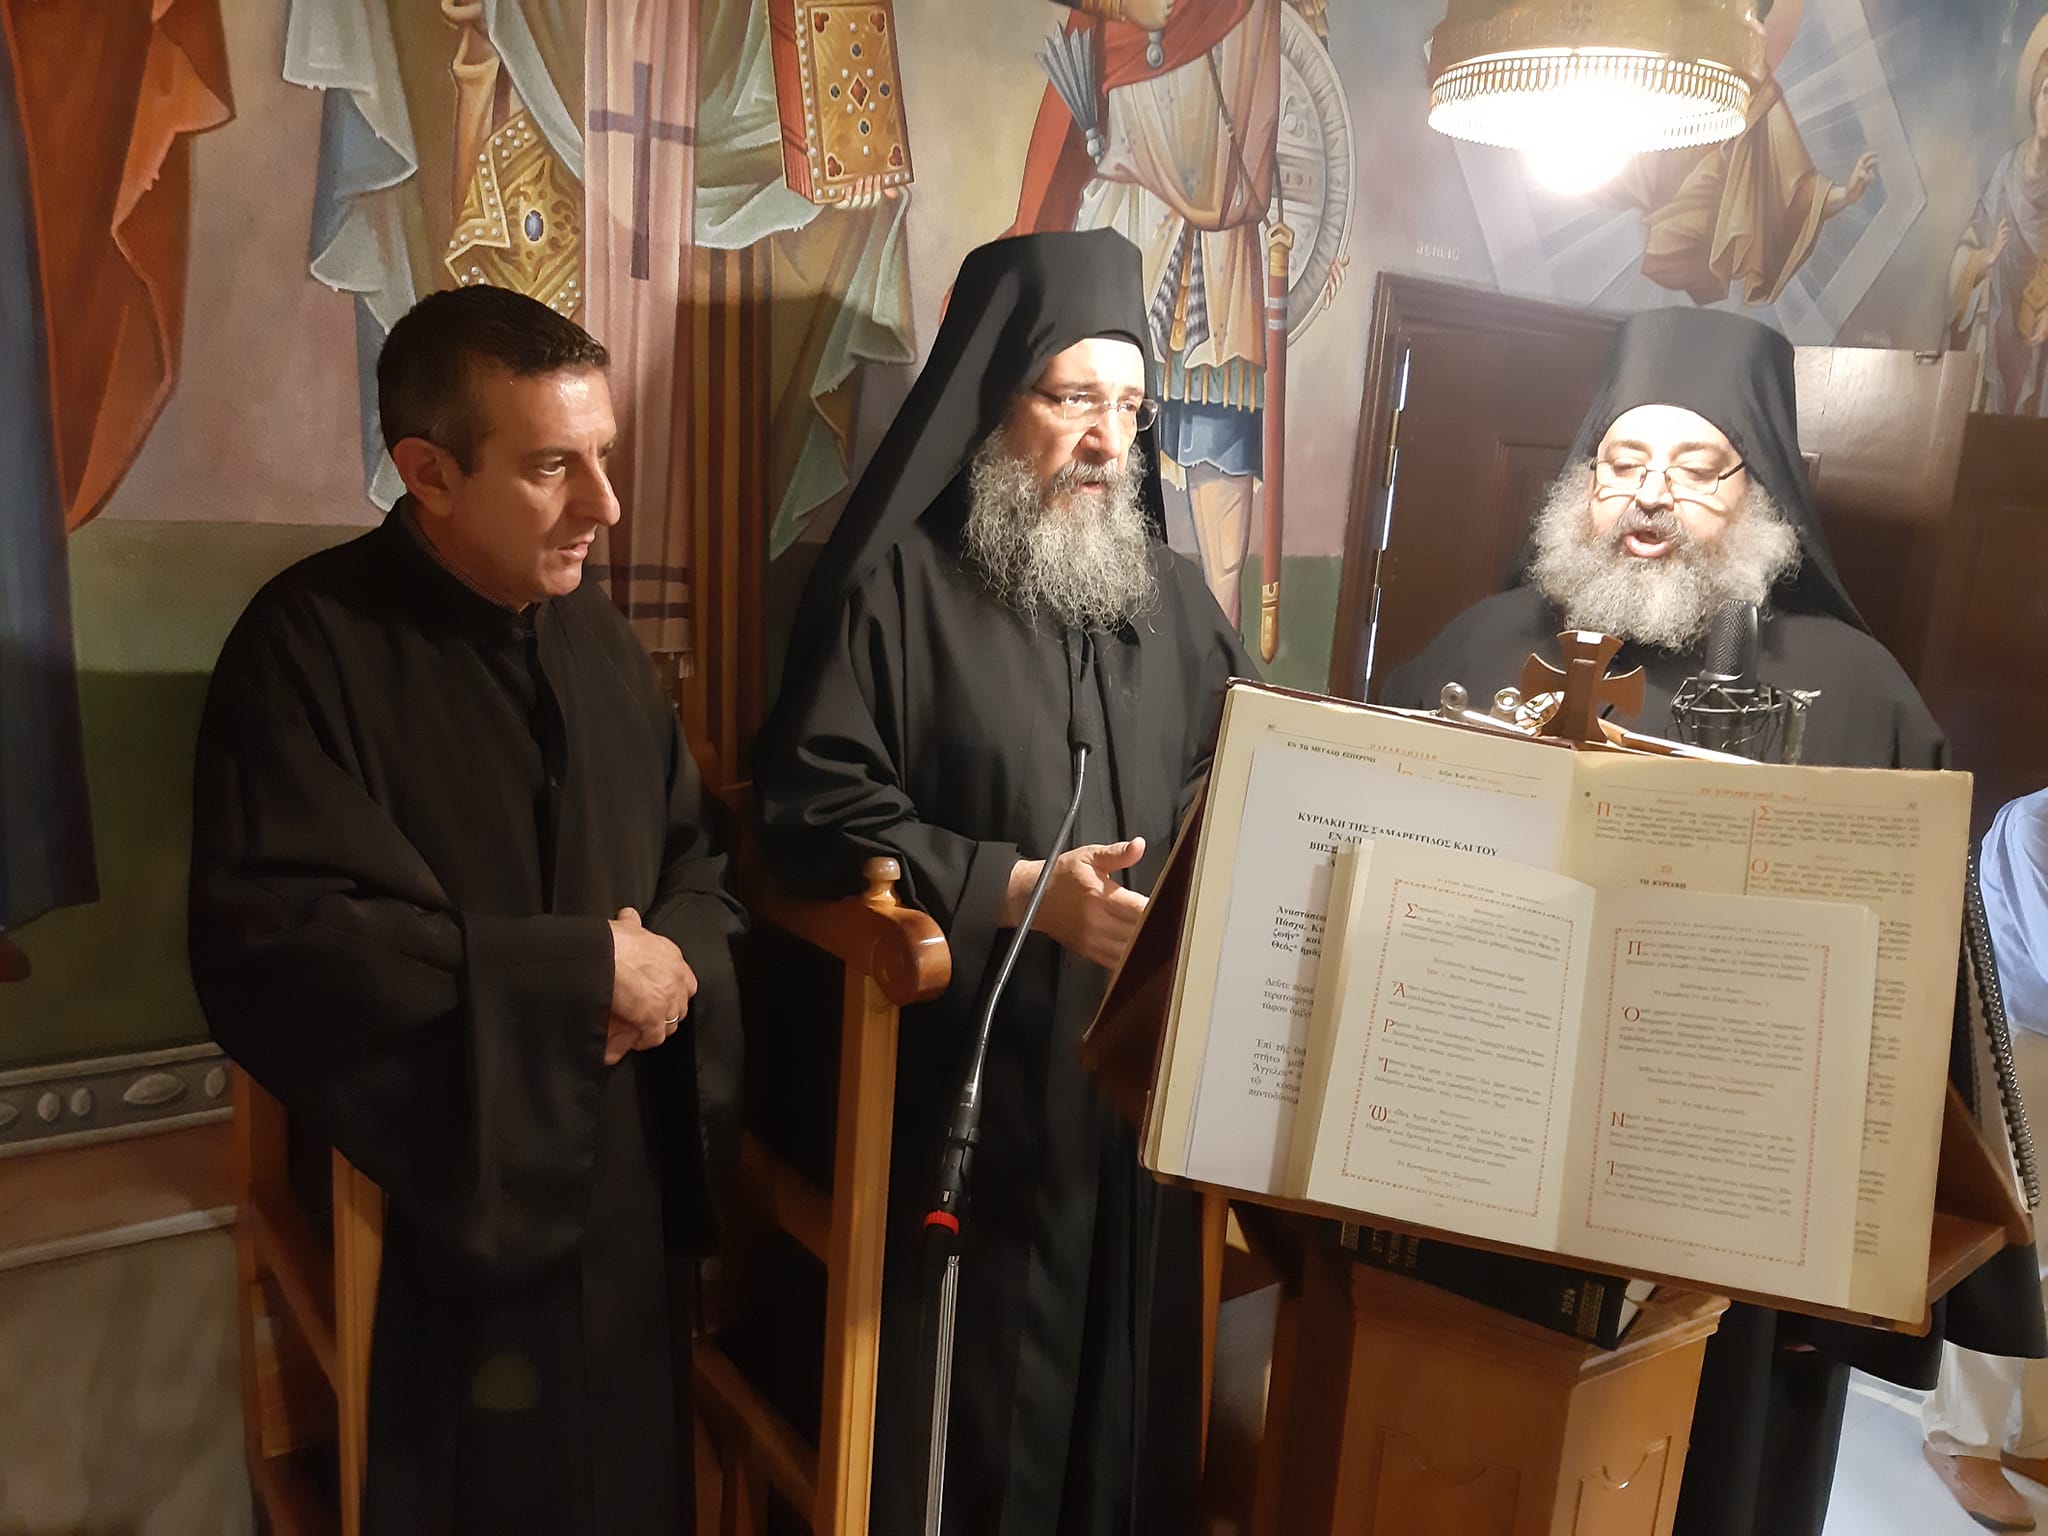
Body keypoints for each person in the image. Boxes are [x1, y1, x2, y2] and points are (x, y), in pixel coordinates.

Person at [1380, 304, 2044, 1536]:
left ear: (1757, 494)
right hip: (1481, 1170)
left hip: (1726, 1218)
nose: (1648, 496)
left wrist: (1848, 1254)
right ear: (1581, 482)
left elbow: (1907, 1012)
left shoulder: (1859, 698)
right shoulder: (1474, 648)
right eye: (1621, 462)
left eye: (1694, 468)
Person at [188, 285, 744, 1536]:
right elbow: (278, 937)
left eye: (603, 455)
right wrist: (574, 977)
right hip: (443, 1187)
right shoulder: (304, 647)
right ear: (427, 473)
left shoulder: (597, 638)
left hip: (620, 1185)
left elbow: (695, 861)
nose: (605, 505)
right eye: (553, 467)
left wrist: (666, 969)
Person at [753, 228, 1256, 1536]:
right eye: (1072, 397)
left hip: (1128, 1101)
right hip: (956, 1087)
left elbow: (1241, 772)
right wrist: (1016, 887)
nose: (1106, 439)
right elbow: (810, 808)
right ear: (993, 401)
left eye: (1129, 407)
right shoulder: (894, 589)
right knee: (975, 1445)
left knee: (1122, 1425)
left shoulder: (1175, 603)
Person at [1922, 788, 2048, 1532]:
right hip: (2023, 1045)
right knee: (2015, 1247)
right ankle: (1960, 1440)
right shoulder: (2036, 824)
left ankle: (2030, 1437)